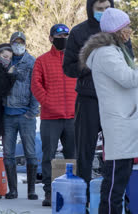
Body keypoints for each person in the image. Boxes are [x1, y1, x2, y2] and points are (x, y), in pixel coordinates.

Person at [63, 0, 135, 203]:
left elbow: (127, 63)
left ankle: (116, 198)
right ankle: (83, 200)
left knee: (118, 153)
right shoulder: (78, 32)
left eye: (107, 8)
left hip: (115, 102)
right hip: (89, 99)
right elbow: (68, 67)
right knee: (85, 153)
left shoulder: (120, 33)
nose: (103, 12)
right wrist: (95, 65)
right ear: (90, 9)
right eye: (99, 9)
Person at [79, 8, 138, 213]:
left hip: (125, 121)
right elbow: (129, 79)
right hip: (119, 124)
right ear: (117, 30)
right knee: (115, 180)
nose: (129, 30)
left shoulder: (116, 50)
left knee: (120, 178)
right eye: (127, 27)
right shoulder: (106, 53)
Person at [31, 24, 77, 206]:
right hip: (50, 118)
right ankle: (49, 193)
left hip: (73, 117)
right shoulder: (41, 61)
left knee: (71, 155)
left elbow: (83, 83)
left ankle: (71, 191)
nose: (63, 38)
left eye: (66, 35)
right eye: (59, 35)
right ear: (51, 38)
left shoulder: (75, 60)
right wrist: (50, 103)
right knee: (48, 155)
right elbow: (36, 86)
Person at [2, 32, 39, 200]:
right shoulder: (4, 61)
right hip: (7, 115)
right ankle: (13, 190)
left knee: (30, 152)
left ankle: (31, 190)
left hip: (25, 115)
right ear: (10, 44)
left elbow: (36, 87)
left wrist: (32, 112)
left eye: (21, 42)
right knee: (8, 153)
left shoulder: (31, 62)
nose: (18, 45)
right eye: (15, 42)